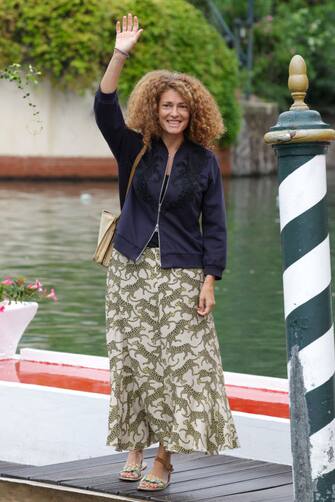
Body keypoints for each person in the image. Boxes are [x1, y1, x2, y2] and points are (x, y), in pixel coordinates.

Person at [94, 12, 239, 493]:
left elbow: (215, 224)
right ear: (154, 109)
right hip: (131, 269)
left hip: (181, 273)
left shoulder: (204, 162)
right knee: (133, 361)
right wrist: (121, 52)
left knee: (178, 366)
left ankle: (164, 457)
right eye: (166, 105)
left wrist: (210, 279)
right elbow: (104, 105)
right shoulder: (133, 147)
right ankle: (135, 446)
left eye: (181, 106)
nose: (174, 113)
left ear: (193, 111)